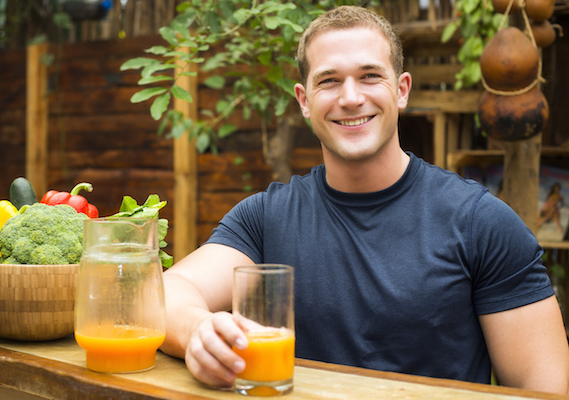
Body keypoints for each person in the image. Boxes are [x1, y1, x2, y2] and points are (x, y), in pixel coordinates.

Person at [160, 5, 569, 395]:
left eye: (370, 75)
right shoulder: (266, 218)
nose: (351, 97)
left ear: (402, 90)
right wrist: (197, 330)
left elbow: (547, 389)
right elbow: (164, 293)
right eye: (329, 80)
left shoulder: (481, 223)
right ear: (304, 100)